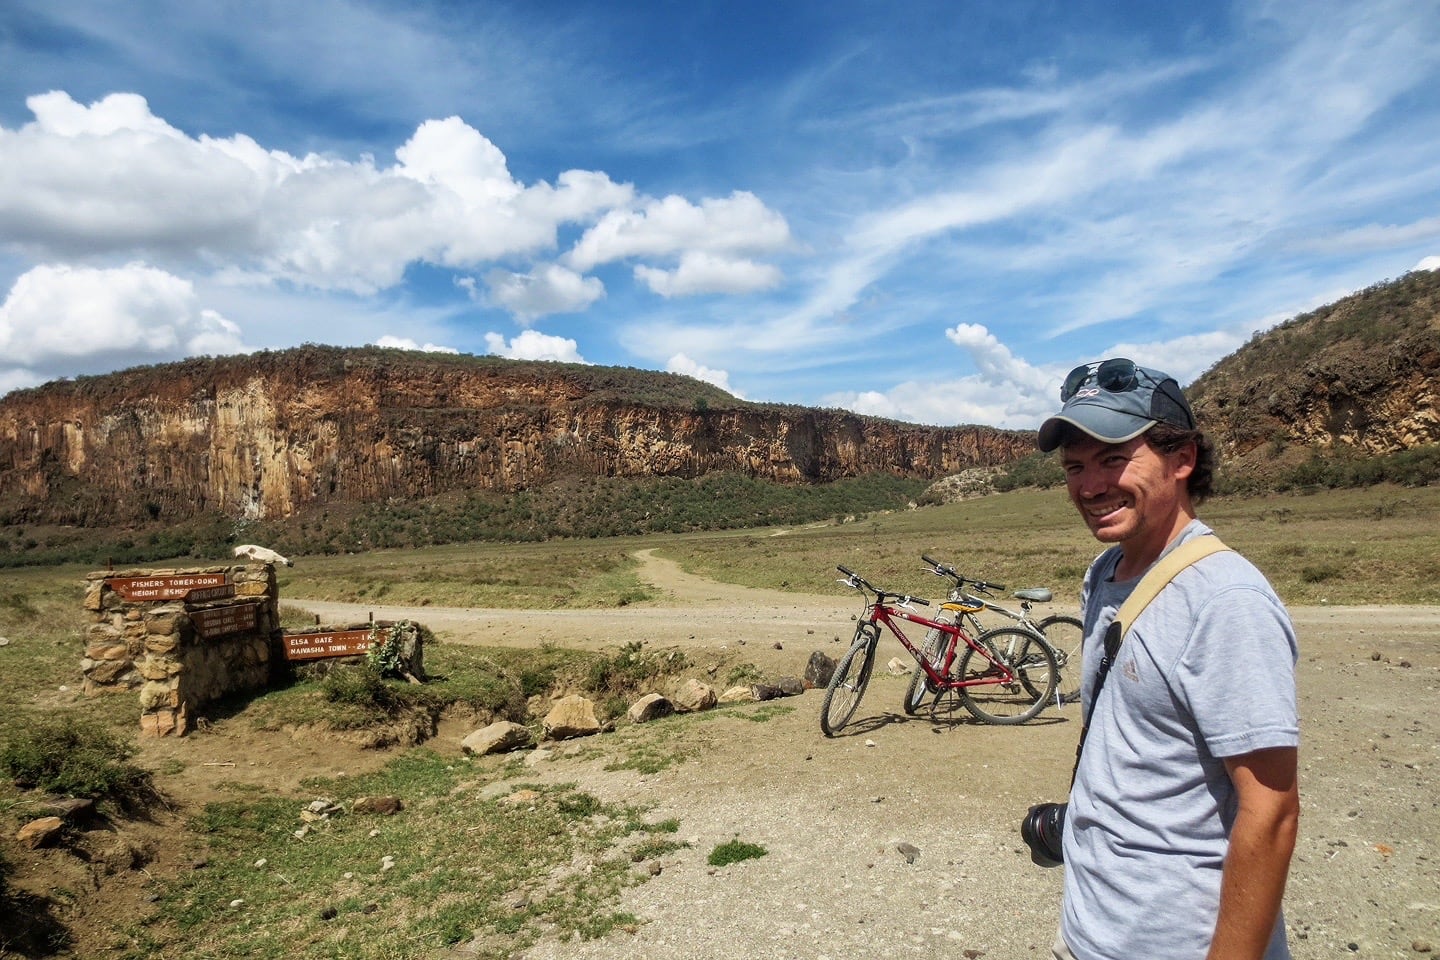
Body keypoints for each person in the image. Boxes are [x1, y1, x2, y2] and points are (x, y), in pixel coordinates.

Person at [1036, 358, 1300, 960]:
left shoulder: (1226, 599)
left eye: (1112, 459)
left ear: (1182, 459)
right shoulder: (1105, 571)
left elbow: (1272, 809)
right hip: (1091, 928)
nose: (1090, 485)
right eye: (1075, 467)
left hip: (1173, 940)